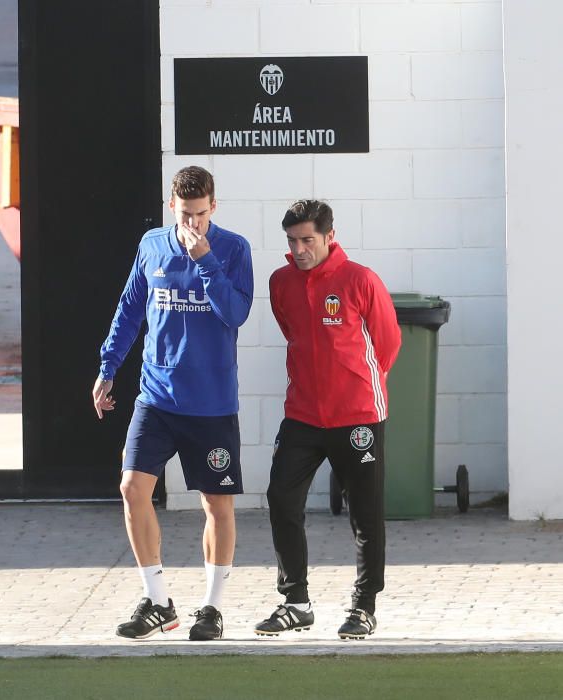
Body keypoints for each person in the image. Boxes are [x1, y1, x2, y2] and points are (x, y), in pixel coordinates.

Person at [93, 166, 253, 641]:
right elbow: (129, 308)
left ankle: (212, 608)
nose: (193, 224)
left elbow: (236, 313)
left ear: (214, 208)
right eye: (186, 215)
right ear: (171, 208)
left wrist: (205, 260)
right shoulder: (152, 246)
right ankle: (158, 601)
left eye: (201, 214)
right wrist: (107, 368)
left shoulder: (233, 248)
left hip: (211, 403)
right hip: (157, 397)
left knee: (217, 505)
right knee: (131, 489)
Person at [254, 199, 401, 640]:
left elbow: (388, 342)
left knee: (365, 514)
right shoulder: (280, 282)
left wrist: (356, 383)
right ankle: (295, 601)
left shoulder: (360, 280)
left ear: (329, 236)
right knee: (281, 498)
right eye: (292, 241)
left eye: (307, 240)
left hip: (356, 417)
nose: (299, 250)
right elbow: (293, 332)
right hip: (301, 415)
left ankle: (364, 606)